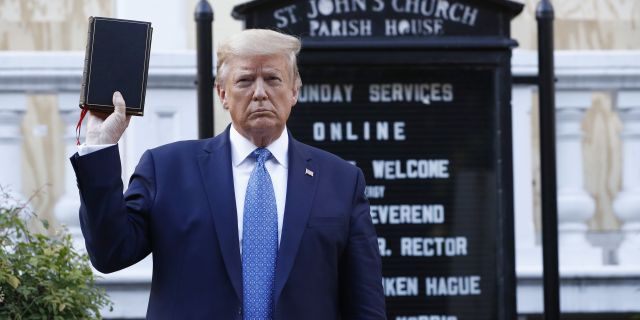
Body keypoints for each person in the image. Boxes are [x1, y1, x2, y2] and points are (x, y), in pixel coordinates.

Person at [71, 29, 386, 319]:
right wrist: (100, 146)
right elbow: (110, 253)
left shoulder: (341, 181)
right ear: (222, 93)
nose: (260, 93)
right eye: (245, 81)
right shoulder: (168, 169)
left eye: (273, 79)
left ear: (294, 91)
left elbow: (365, 303)